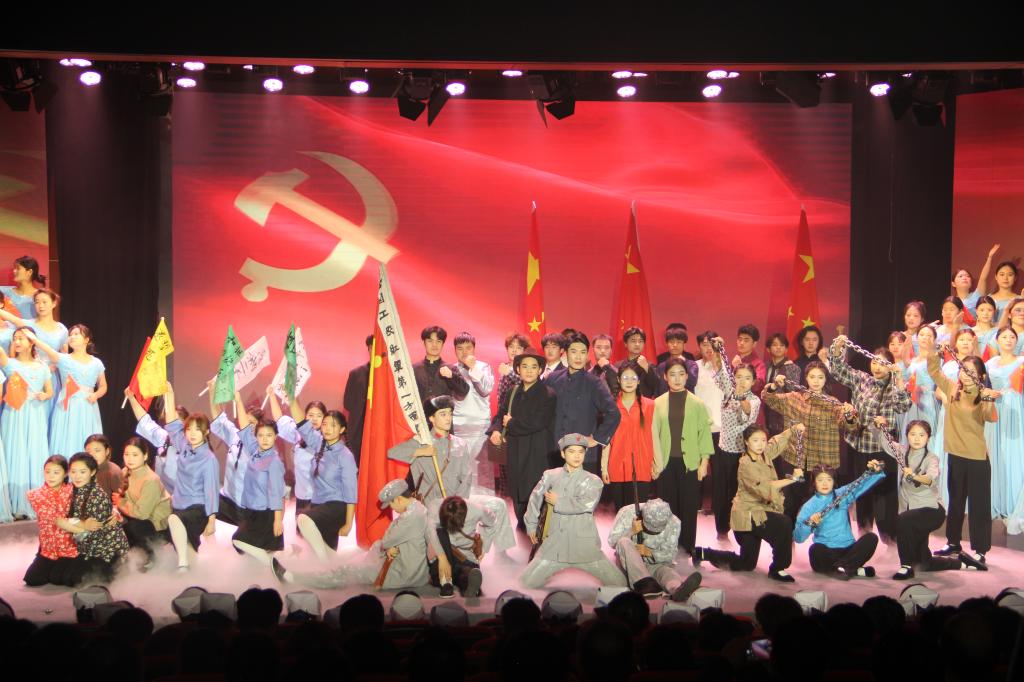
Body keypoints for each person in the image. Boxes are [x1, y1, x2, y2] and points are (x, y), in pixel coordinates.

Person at [391, 396, 514, 556]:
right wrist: (421, 451)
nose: (448, 418)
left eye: (450, 413)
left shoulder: (460, 443)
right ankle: (463, 555)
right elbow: (392, 452)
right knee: (448, 535)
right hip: (434, 506)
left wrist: (459, 504)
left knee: (498, 505)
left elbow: (467, 478)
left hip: (458, 502)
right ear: (431, 418)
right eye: (443, 414)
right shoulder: (421, 442)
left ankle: (489, 554)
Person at [273, 479, 444, 591]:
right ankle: (300, 576)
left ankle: (295, 578)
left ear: (399, 499)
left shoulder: (411, 517)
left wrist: (388, 546)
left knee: (346, 573)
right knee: (349, 566)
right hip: (401, 565)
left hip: (402, 572)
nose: (391, 508)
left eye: (391, 504)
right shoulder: (417, 509)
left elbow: (387, 540)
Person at [876, 420, 987, 579]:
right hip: (912, 511)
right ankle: (961, 563)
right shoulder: (902, 452)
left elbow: (930, 478)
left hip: (932, 510)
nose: (917, 438)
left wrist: (914, 476)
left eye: (921, 435)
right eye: (913, 434)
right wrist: (880, 426)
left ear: (928, 437)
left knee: (903, 520)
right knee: (923, 563)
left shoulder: (931, 458)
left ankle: (905, 566)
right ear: (907, 436)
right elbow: (886, 443)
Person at [694, 424, 804, 582]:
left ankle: (702, 553)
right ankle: (778, 568)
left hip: (759, 513)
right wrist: (792, 479)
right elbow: (764, 487)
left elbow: (777, 442)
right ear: (746, 442)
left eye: (763, 440)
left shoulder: (765, 453)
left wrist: (793, 429)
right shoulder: (745, 464)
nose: (760, 444)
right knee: (784, 523)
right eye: (755, 440)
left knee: (746, 564)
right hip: (747, 516)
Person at [828, 335, 912, 543]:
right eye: (874, 362)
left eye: (882, 363)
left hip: (883, 447)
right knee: (862, 493)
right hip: (860, 445)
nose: (877, 367)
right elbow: (839, 371)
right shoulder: (862, 379)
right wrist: (838, 347)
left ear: (890, 366)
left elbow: (903, 406)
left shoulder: (893, 386)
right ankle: (864, 537)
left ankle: (890, 540)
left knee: (884, 495)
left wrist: (899, 379)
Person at [925, 341, 1000, 564]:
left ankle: (980, 549)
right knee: (956, 501)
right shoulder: (953, 389)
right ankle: (953, 542)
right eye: (963, 370)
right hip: (955, 455)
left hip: (977, 458)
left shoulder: (982, 394)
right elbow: (934, 371)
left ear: (981, 375)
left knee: (979, 504)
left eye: (971, 372)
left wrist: (988, 398)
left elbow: (991, 417)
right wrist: (937, 353)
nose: (965, 375)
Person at [521, 433, 628, 589]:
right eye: (571, 451)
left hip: (584, 544)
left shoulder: (593, 480)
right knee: (525, 583)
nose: (577, 456)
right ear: (563, 454)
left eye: (581, 452)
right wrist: (531, 525)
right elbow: (535, 499)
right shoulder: (550, 475)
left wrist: (558, 501)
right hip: (554, 544)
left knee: (619, 583)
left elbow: (587, 504)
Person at [761, 362, 857, 522]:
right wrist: (774, 386)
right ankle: (788, 535)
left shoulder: (833, 403)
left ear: (825, 380)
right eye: (812, 377)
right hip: (795, 460)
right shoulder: (794, 398)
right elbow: (768, 398)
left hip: (822, 463)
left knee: (827, 507)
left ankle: (830, 536)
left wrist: (849, 415)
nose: (816, 381)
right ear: (806, 378)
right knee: (789, 504)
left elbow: (850, 426)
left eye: (820, 377)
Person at [651, 357, 714, 554]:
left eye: (681, 374)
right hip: (666, 462)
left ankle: (688, 546)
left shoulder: (697, 403)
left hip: (690, 462)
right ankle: (668, 546)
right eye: (672, 375)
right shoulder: (658, 403)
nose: (677, 379)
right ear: (665, 377)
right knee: (667, 506)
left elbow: (704, 434)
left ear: (687, 376)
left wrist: (704, 462)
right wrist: (655, 462)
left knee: (688, 506)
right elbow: (653, 435)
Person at [489, 352, 556, 530]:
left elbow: (538, 422)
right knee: (516, 485)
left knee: (535, 487)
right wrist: (495, 430)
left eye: (534, 367)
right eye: (524, 366)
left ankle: (536, 527)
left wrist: (511, 423)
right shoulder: (512, 392)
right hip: (515, 447)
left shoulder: (548, 394)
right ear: (517, 369)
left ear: (540, 370)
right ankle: (522, 524)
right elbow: (500, 415)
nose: (529, 370)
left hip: (537, 448)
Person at [287, 394, 357, 561]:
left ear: (342, 430)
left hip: (337, 507)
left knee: (303, 520)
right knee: (322, 552)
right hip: (318, 504)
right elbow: (302, 423)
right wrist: (291, 398)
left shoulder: (345, 456)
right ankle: (331, 565)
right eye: (324, 424)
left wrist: (348, 524)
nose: (327, 428)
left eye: (332, 425)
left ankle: (327, 562)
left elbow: (351, 493)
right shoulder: (318, 443)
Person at [545, 331, 621, 477]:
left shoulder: (593, 382)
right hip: (555, 451)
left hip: (583, 454)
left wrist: (597, 438)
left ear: (587, 355)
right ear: (565, 353)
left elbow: (614, 413)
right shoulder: (553, 379)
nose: (578, 357)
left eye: (583, 352)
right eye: (574, 351)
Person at [161, 382, 219, 571]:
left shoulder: (209, 459)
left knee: (174, 521)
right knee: (187, 548)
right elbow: (171, 422)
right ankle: (191, 570)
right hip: (179, 505)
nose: (192, 433)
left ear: (206, 432)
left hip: (197, 510)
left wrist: (211, 521)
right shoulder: (184, 446)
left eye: (197, 429)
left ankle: (183, 566)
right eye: (189, 429)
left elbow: (212, 491)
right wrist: (169, 394)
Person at [24, 325, 106, 458]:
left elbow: (103, 386)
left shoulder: (96, 363)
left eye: (76, 334)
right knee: (66, 437)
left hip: (88, 407)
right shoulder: (63, 359)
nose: (72, 337)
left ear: (87, 340)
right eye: (70, 335)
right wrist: (34, 339)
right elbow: (48, 349)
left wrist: (96, 395)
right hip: (68, 406)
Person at [794, 461, 885, 580]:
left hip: (848, 550)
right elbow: (798, 538)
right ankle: (852, 568)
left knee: (871, 538)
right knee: (815, 550)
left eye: (829, 480)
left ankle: (840, 568)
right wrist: (810, 523)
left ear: (834, 482)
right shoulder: (809, 506)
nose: (825, 483)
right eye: (820, 480)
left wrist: (874, 472)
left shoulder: (841, 494)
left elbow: (859, 485)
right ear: (814, 483)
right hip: (827, 552)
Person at [0, 326, 53, 519]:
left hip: (35, 413)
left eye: (22, 338)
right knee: (15, 452)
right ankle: (15, 503)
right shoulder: (10, 363)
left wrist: (45, 395)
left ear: (32, 342)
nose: (17, 341)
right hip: (14, 413)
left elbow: (50, 391)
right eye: (15, 338)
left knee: (34, 453)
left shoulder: (42, 367)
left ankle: (33, 502)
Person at [54, 452, 130, 584]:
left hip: (105, 548)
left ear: (92, 472)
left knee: (78, 580)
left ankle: (118, 567)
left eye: (82, 472)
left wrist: (69, 523)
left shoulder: (97, 496)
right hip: (86, 546)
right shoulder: (71, 489)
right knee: (62, 578)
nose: (77, 476)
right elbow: (62, 518)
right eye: (73, 471)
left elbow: (93, 531)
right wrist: (77, 523)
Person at [607, 497, 703, 600]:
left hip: (656, 564)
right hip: (630, 564)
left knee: (666, 572)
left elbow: (669, 555)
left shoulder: (674, 522)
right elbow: (613, 542)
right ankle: (645, 583)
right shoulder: (627, 513)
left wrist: (649, 553)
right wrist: (632, 531)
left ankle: (677, 589)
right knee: (624, 542)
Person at [712, 360, 762, 538]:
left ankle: (741, 531)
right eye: (739, 377)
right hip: (722, 449)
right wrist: (718, 351)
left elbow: (746, 412)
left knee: (738, 492)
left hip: (741, 453)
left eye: (747, 378)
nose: (742, 381)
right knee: (720, 491)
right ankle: (721, 529)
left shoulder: (754, 400)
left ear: (753, 381)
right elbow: (719, 369)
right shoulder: (728, 393)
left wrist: (740, 398)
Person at [0, 288, 68, 415]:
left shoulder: (62, 329)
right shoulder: (28, 325)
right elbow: (11, 318)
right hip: (28, 374)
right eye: (37, 302)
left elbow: (65, 356)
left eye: (44, 302)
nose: (40, 305)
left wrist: (56, 366)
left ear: (54, 303)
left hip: (50, 377)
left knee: (48, 413)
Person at [601, 361, 656, 511]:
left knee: (639, 515)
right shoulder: (611, 408)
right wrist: (604, 468)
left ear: (639, 381)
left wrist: (657, 464)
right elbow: (606, 441)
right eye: (625, 378)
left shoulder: (650, 406)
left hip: (642, 466)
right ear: (618, 380)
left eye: (633, 378)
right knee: (621, 514)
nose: (629, 382)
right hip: (617, 466)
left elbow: (655, 438)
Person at [231, 418, 286, 567]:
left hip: (265, 514)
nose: (265, 439)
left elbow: (277, 493)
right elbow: (244, 428)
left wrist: (278, 520)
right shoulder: (255, 451)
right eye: (261, 435)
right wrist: (238, 403)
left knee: (238, 540)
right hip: (251, 511)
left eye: (269, 435)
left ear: (276, 436)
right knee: (248, 548)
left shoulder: (274, 461)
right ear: (255, 437)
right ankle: (267, 567)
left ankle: (273, 564)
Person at [985, 326, 1024, 523]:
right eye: (1004, 337)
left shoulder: (1021, 362)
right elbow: (982, 386)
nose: (1008, 340)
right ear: (997, 341)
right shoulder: (990, 363)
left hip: (1015, 407)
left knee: (1014, 452)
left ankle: (1014, 500)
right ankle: (997, 499)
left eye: (1012, 337)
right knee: (996, 452)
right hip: (995, 408)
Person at [112, 437, 171, 563]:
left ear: (145, 456)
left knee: (131, 527)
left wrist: (120, 502)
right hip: (135, 515)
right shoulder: (125, 471)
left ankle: (151, 557)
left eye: (135, 455)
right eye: (126, 454)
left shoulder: (151, 480)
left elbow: (142, 514)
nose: (130, 459)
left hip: (156, 525)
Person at [451, 331, 496, 494]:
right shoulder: (451, 370)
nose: (464, 352)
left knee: (483, 472)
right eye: (460, 348)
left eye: (468, 348)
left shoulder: (483, 367)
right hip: (459, 428)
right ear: (455, 350)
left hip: (480, 428)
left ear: (474, 349)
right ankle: (462, 506)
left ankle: (486, 507)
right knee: (461, 471)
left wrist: (473, 368)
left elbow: (486, 390)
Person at [269, 394, 326, 520]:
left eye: (319, 415)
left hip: (319, 498)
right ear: (305, 417)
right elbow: (279, 420)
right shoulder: (298, 434)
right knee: (300, 529)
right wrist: (272, 395)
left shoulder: (323, 440)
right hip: (301, 495)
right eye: (310, 415)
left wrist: (291, 399)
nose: (314, 419)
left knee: (315, 530)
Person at [23, 455, 78, 586]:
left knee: (59, 579)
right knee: (32, 579)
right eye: (47, 472)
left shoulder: (74, 490)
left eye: (56, 472)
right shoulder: (35, 495)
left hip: (70, 546)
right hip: (48, 548)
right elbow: (54, 518)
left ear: (65, 474)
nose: (51, 476)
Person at [429, 495, 496, 598]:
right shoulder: (434, 506)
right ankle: (446, 582)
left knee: (467, 573)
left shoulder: (478, 510)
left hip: (465, 555)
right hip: (444, 552)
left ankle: (467, 584)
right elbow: (430, 531)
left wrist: (483, 548)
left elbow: (492, 522)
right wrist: (442, 558)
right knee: (439, 532)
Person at [492, 332, 529, 498]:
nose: (514, 350)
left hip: (519, 425)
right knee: (503, 465)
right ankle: (504, 501)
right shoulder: (504, 367)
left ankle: (519, 502)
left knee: (519, 467)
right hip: (503, 423)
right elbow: (501, 401)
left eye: (518, 347)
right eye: (511, 347)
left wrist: (510, 373)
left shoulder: (525, 369)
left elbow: (526, 386)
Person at [413, 326, 469, 401]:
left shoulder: (451, 368)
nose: (434, 345)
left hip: (445, 408)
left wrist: (451, 376)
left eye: (438, 341)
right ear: (424, 343)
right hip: (419, 408)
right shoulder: (414, 369)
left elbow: (464, 392)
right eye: (430, 341)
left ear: (443, 344)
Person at [762, 333, 802, 436]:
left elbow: (793, 394)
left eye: (782, 345)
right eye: (775, 345)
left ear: (786, 349)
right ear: (768, 349)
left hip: (783, 417)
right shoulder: (765, 366)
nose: (778, 347)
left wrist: (783, 384)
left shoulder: (793, 368)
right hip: (766, 415)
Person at [342, 334, 373, 463]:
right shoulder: (356, 374)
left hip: (381, 429)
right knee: (358, 464)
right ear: (369, 348)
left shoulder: (390, 375)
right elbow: (347, 402)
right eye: (373, 347)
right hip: (359, 430)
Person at [950, 243, 1000, 322]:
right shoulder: (952, 302)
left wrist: (989, 258)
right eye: (960, 276)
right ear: (953, 283)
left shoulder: (977, 295)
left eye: (967, 276)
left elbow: (983, 278)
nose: (964, 278)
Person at [653, 323, 699, 396]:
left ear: (684, 344)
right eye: (671, 342)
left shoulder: (691, 365)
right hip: (665, 401)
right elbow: (657, 389)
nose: (675, 345)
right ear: (667, 344)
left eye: (679, 342)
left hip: (686, 401)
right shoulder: (661, 366)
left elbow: (692, 383)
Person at [615, 327, 662, 398]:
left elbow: (657, 387)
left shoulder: (649, 365)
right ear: (625, 343)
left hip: (643, 403)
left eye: (640, 341)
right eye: (633, 341)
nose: (637, 344)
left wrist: (647, 368)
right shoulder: (618, 365)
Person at [0, 255, 46, 320]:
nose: (14, 271)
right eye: (14, 268)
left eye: (18, 268)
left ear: (29, 272)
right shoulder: (3, 291)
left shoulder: (40, 296)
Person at [732, 324, 766, 396]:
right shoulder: (736, 359)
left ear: (754, 344)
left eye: (746, 340)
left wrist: (739, 369)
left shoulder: (759, 364)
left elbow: (757, 386)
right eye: (740, 339)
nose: (741, 343)